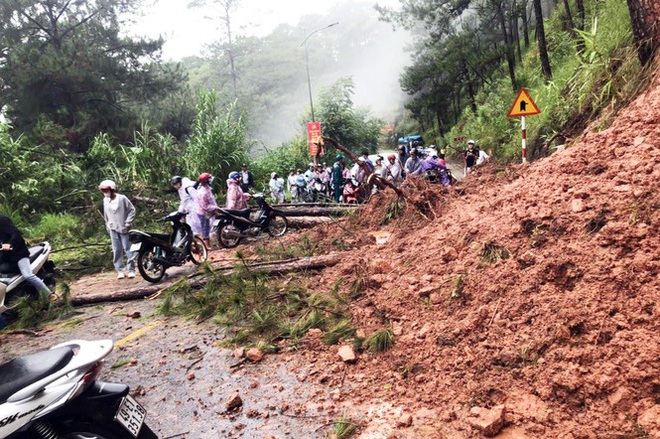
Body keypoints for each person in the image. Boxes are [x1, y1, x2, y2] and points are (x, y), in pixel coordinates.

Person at [0, 214, 55, 299]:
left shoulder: (2, 219)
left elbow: (16, 233)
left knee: (27, 275)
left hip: (18, 253)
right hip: (5, 256)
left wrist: (9, 244)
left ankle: (49, 295)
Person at [98, 180, 136, 279]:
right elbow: (106, 214)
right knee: (116, 250)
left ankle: (131, 269)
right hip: (112, 228)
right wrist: (107, 225)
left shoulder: (122, 198)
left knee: (128, 249)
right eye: (103, 191)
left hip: (123, 227)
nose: (105, 193)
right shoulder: (105, 200)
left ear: (112, 190)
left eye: (106, 190)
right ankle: (120, 270)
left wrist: (128, 222)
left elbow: (132, 210)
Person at [195, 172, 218, 248]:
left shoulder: (207, 189)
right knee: (205, 227)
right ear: (206, 181)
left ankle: (207, 243)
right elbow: (205, 206)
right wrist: (215, 208)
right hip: (204, 212)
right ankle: (206, 246)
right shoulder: (203, 192)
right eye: (209, 179)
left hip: (206, 211)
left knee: (207, 226)